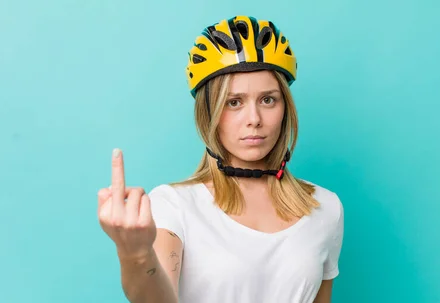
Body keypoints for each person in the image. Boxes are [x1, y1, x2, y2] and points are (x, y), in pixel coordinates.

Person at [97, 15, 344, 303]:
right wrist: (136, 255)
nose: (254, 119)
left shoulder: (326, 209)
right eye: (234, 102)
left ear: (285, 108)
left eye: (268, 100)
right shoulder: (174, 205)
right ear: (209, 114)